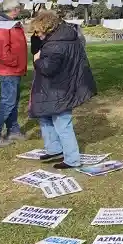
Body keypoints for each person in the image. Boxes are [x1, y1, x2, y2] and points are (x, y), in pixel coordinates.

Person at [30, 11, 96, 169]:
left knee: (62, 123)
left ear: (47, 28)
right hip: (58, 85)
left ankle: (72, 159)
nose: (36, 35)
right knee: (45, 116)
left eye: (38, 32)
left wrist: (37, 60)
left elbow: (47, 68)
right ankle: (54, 149)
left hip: (59, 88)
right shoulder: (66, 37)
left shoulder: (55, 45)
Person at [0, 0, 28, 148]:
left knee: (13, 102)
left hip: (14, 69)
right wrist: (15, 63)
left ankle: (13, 130)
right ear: (14, 9)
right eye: (19, 7)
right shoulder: (1, 25)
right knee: (7, 103)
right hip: (8, 70)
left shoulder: (10, 23)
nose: (20, 10)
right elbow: (1, 52)